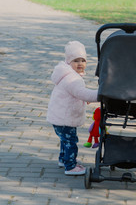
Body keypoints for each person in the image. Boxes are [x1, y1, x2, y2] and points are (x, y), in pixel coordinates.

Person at [47, 41, 98, 176]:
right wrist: (101, 94)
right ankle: (70, 166)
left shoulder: (68, 75)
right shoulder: (72, 79)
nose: (80, 63)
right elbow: (82, 93)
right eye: (76, 61)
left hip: (59, 117)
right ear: (69, 62)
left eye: (83, 60)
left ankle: (63, 160)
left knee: (65, 140)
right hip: (64, 118)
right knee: (71, 141)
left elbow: (76, 94)